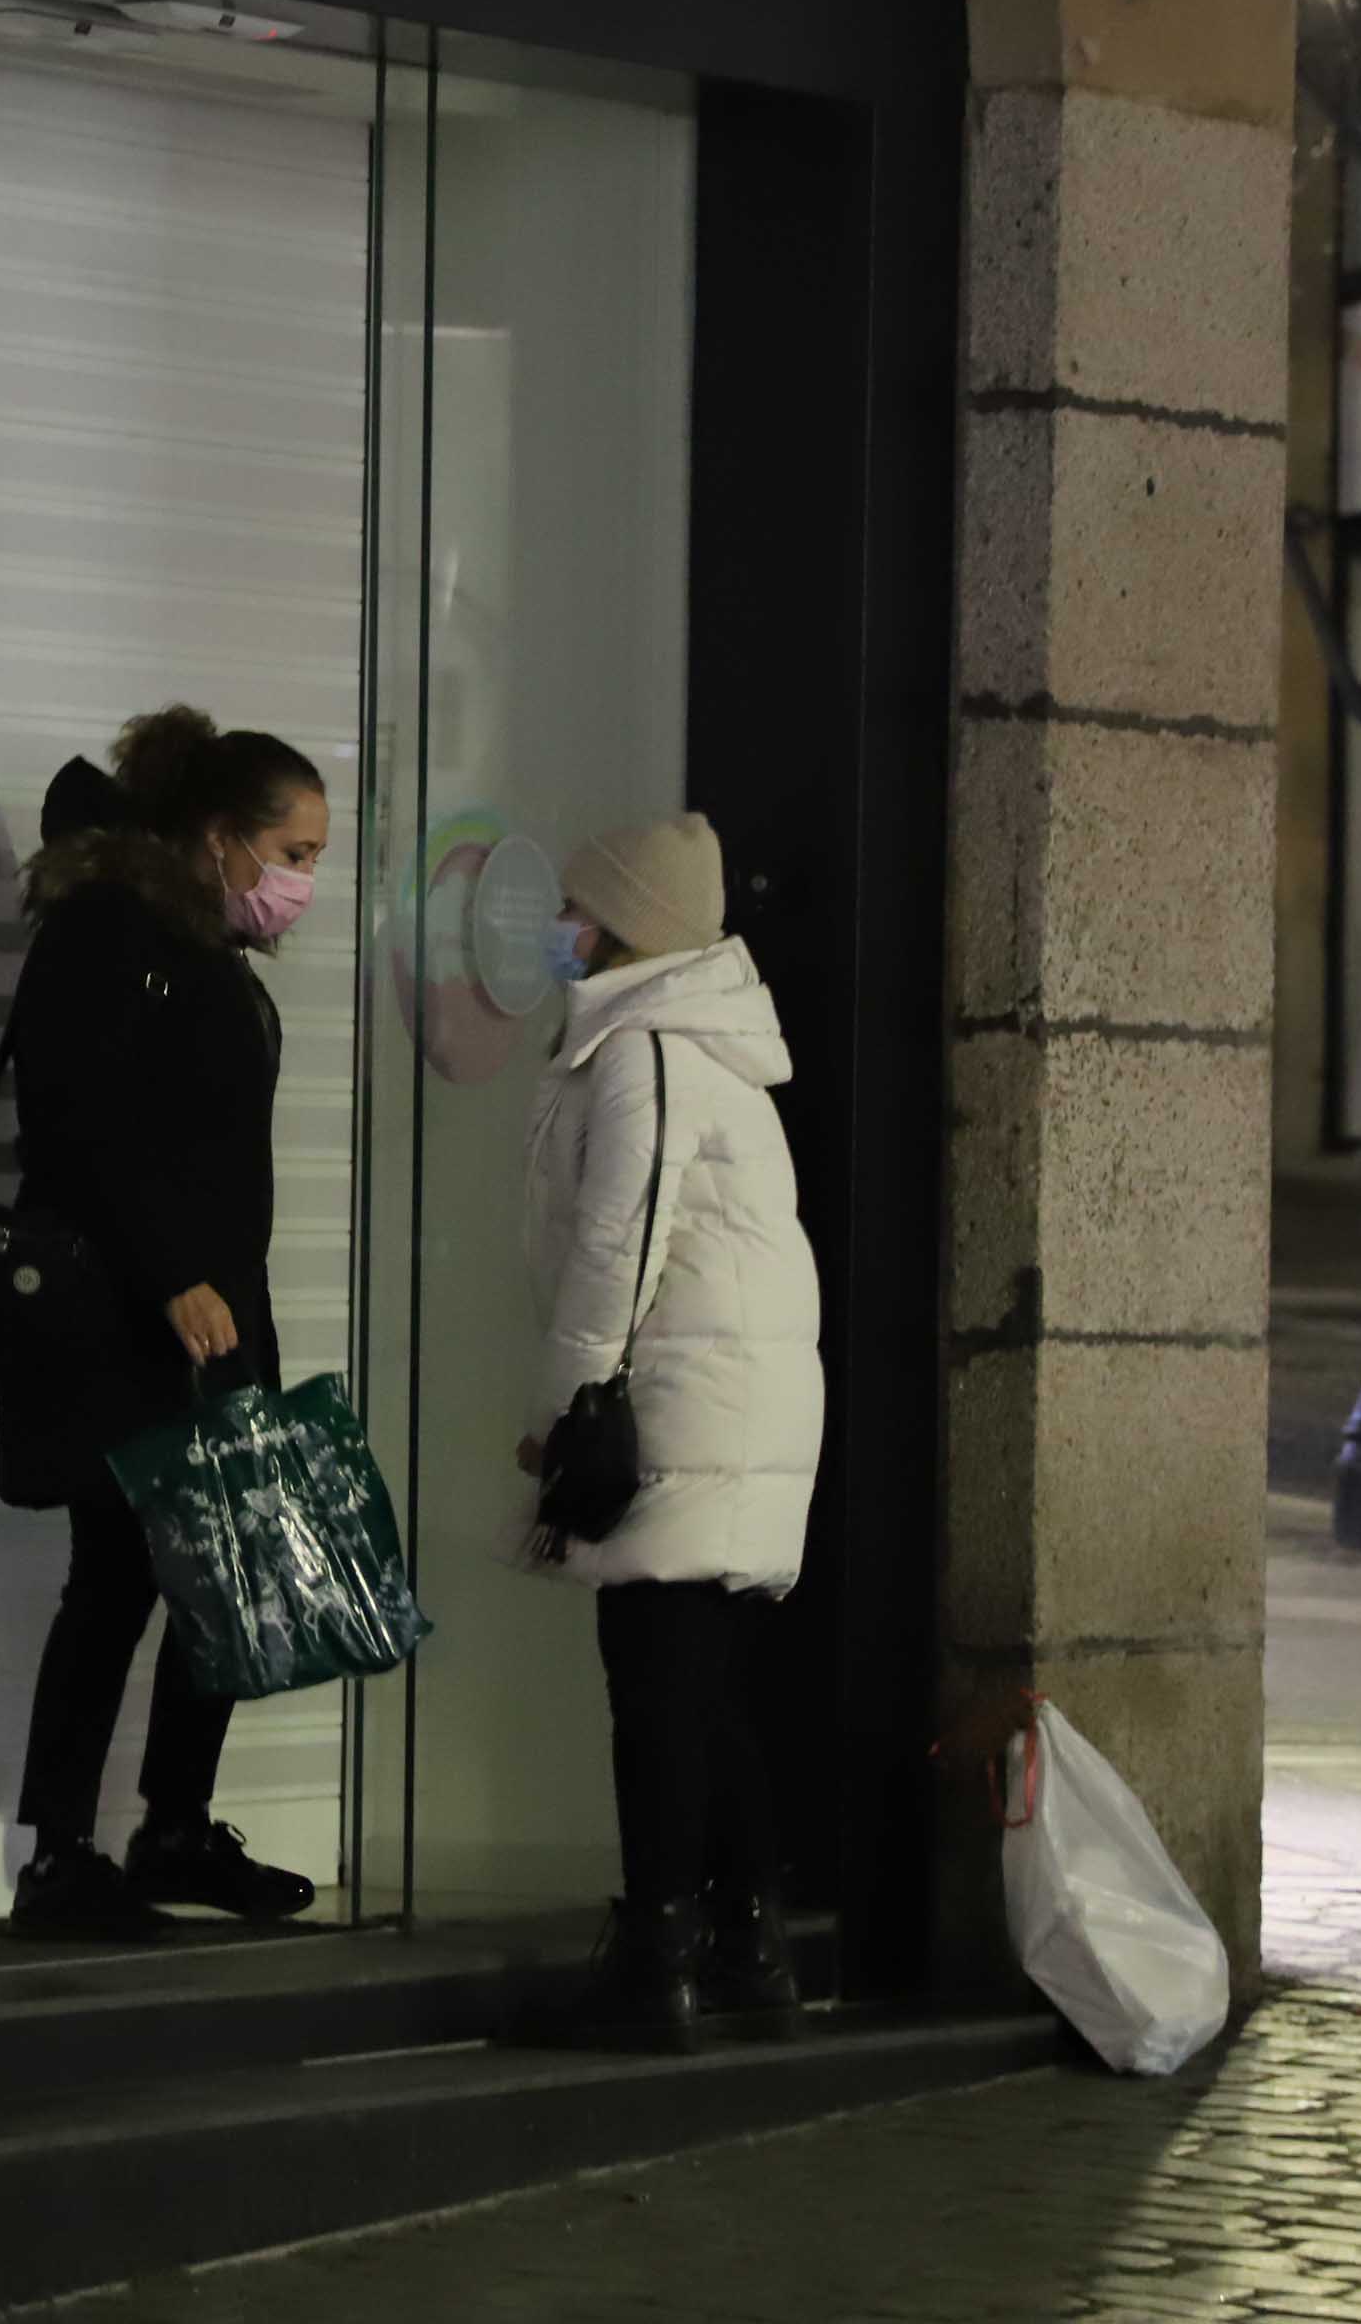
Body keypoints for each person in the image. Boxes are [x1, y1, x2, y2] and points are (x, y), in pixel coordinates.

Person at [0, 706, 332, 1941]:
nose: (301, 881)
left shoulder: (201, 947)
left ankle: (175, 1824)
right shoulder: (109, 931)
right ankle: (59, 1854)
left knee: (231, 1572)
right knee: (118, 1575)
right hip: (130, 1322)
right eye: (289, 852)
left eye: (313, 859)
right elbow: (79, 1128)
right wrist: (171, 1271)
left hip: (214, 1317)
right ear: (215, 837)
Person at [511, 814, 823, 2052]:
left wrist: (563, 1407)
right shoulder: (706, 1045)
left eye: (576, 907)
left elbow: (614, 1244)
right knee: (701, 1692)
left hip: (677, 1414)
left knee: (652, 1691)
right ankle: (748, 1946)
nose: (557, 930)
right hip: (728, 1409)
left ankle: (656, 1961)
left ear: (622, 922)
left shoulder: (645, 1043)